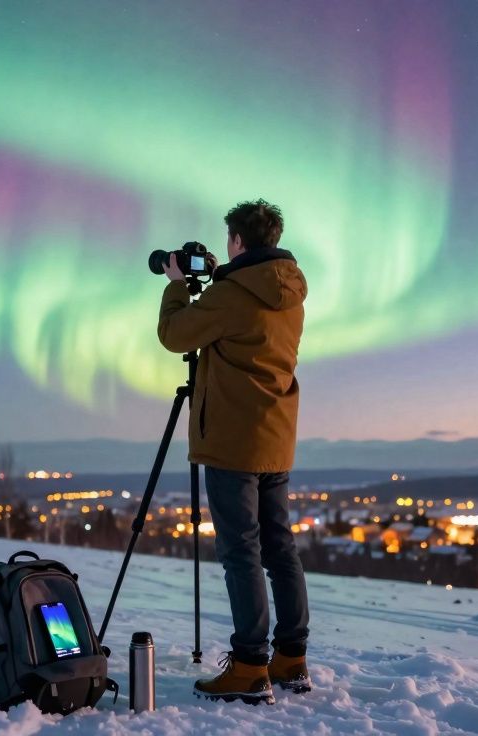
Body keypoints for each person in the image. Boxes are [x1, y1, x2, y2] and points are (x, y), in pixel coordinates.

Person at [156, 199, 310, 705]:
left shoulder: (231, 294)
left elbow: (175, 334)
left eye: (230, 240)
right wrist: (221, 277)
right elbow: (248, 333)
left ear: (239, 240)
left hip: (231, 441)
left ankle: (249, 667)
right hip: (275, 438)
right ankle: (291, 658)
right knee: (279, 548)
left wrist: (178, 284)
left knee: (241, 551)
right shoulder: (289, 293)